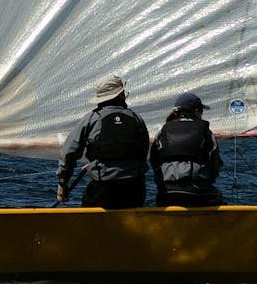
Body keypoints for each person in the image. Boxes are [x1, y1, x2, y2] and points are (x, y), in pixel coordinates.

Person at [56, 75, 149, 209]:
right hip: (135, 188)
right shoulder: (136, 118)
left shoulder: (91, 119)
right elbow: (143, 150)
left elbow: (69, 153)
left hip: (104, 187)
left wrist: (62, 184)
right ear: (119, 95)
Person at [150, 92, 223, 207]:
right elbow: (215, 164)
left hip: (166, 194)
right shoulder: (205, 132)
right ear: (197, 111)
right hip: (197, 193)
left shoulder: (162, 131)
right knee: (218, 196)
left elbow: (154, 161)